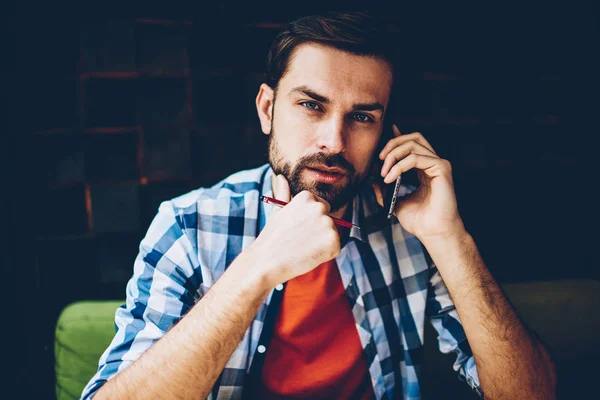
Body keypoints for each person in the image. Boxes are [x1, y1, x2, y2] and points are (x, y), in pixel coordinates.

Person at [82, 12, 556, 400]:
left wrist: (450, 238)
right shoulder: (187, 226)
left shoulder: (411, 227)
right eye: (311, 105)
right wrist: (258, 269)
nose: (334, 141)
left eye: (363, 117)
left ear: (386, 131)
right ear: (268, 109)